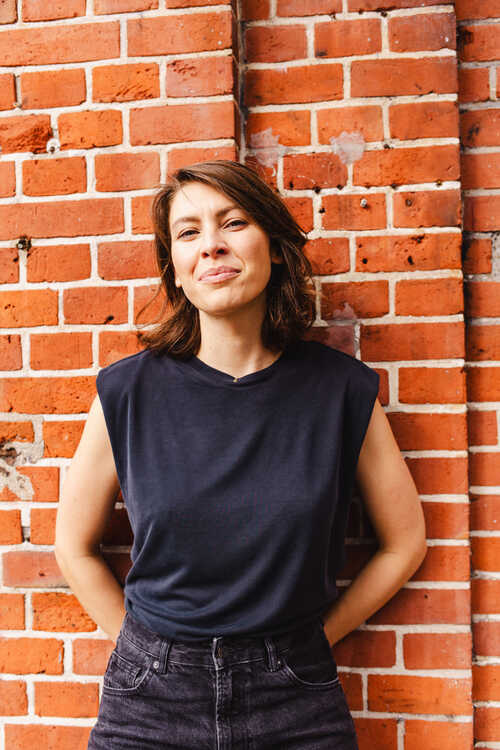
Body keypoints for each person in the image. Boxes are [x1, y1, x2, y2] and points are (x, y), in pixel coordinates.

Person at [55, 159, 427, 749]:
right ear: (176, 271)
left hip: (296, 701)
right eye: (188, 233)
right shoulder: (127, 393)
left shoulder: (340, 390)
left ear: (274, 247)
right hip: (151, 705)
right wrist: (142, 651)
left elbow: (405, 542)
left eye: (233, 222)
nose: (211, 245)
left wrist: (311, 643)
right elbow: (74, 547)